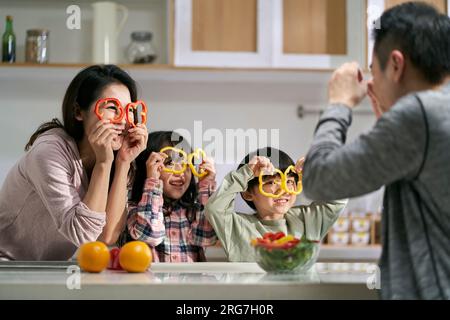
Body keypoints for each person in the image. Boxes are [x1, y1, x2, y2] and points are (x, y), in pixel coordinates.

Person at [302, 2, 450, 299]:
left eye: (374, 71)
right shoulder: (436, 111)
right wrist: (390, 121)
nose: (372, 82)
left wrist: (339, 104)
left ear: (396, 65)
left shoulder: (418, 114)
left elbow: (319, 178)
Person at [0, 65, 148, 261]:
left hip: (46, 270)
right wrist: (103, 163)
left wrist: (123, 162)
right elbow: (83, 235)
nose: (123, 121)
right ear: (78, 111)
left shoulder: (117, 157)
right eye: (112, 107)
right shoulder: (49, 152)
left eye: (129, 110)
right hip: (6, 265)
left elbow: (106, 237)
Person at [205, 147, 347, 262]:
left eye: (290, 181)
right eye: (271, 182)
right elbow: (215, 208)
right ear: (248, 193)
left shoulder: (307, 220)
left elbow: (339, 197)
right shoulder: (237, 227)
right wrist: (246, 173)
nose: (283, 190)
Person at [127, 131, 217, 262]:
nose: (179, 172)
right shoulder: (134, 208)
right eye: (169, 163)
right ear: (147, 167)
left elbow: (206, 238)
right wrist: (153, 181)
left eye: (186, 163)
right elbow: (150, 235)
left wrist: (206, 185)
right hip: (152, 282)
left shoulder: (192, 211)